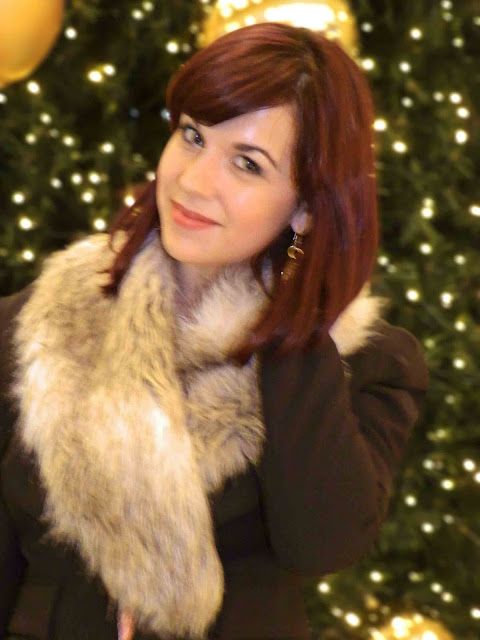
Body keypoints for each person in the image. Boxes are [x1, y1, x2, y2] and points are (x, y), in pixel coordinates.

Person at [0, 21, 428, 640]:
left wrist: (292, 329)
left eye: (248, 164)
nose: (195, 181)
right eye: (193, 135)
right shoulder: (37, 325)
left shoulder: (365, 364)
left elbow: (319, 543)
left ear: (307, 207)